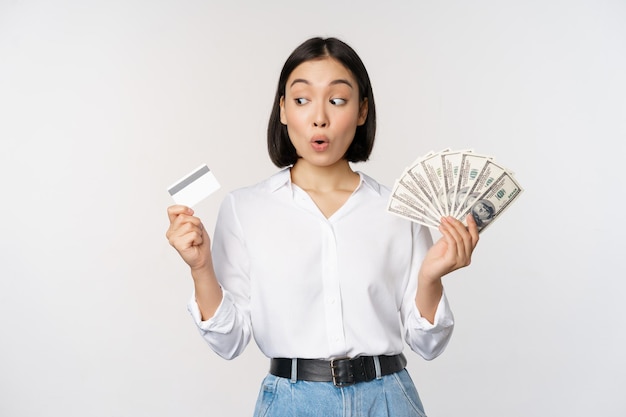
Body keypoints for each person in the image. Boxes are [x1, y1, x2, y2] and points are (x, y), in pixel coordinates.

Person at [166, 37, 479, 417]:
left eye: (337, 100)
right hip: (292, 403)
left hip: (388, 400)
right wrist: (200, 268)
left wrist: (430, 277)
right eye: (301, 100)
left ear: (362, 111)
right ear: (282, 110)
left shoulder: (398, 209)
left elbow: (428, 345)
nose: (319, 117)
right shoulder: (245, 207)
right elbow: (229, 342)